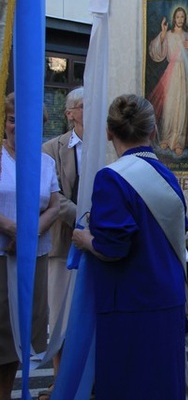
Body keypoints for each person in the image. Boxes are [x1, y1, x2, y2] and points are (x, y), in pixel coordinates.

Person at [72, 94, 188, 399]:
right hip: (167, 297)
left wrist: (86, 240)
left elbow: (113, 248)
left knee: (129, 386)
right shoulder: (167, 175)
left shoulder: (110, 178)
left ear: (109, 132)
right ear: (152, 131)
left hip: (130, 302)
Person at [0, 94, 60, 400]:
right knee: (1, 336)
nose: (18, 127)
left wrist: (30, 232)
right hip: (1, 257)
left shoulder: (45, 162)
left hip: (33, 256)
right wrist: (11, 229)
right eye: (13, 120)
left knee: (21, 335)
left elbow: (55, 203)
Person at [40, 87, 83, 398]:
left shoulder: (106, 146)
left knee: (91, 312)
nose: (89, 111)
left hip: (98, 244)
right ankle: (59, 380)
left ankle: (90, 378)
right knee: (60, 317)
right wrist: (86, 218)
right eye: (84, 106)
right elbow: (54, 196)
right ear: (69, 113)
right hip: (63, 245)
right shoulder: (51, 149)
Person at [148, 6, 188, 157]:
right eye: (178, 17)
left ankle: (179, 142)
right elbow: (156, 52)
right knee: (169, 106)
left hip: (184, 73)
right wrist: (162, 34)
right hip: (171, 72)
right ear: (174, 18)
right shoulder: (168, 35)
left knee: (182, 107)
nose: (180, 19)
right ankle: (167, 138)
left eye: (182, 17)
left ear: (185, 18)